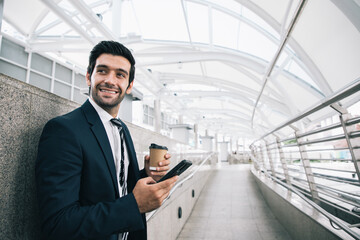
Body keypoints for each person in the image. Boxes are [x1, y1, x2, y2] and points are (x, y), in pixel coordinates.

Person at [35, 40, 178, 240]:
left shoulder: (121, 128)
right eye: (102, 71)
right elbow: (58, 223)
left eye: (120, 74)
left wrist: (146, 174)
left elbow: (114, 186)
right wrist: (135, 205)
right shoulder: (64, 130)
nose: (110, 80)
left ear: (129, 86)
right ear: (88, 77)